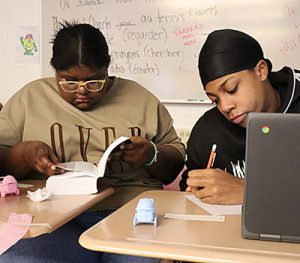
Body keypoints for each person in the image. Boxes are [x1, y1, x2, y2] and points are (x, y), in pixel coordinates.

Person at [0, 21, 185, 262]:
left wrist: (151, 153)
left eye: (95, 81)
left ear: (107, 68)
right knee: (19, 258)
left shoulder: (140, 99)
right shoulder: (30, 98)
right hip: (53, 219)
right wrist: (24, 155)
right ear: (54, 71)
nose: (82, 91)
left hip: (128, 214)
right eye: (68, 82)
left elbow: (174, 164)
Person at [179, 29, 300, 205]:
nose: (225, 106)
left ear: (261, 71)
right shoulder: (208, 130)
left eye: (232, 89)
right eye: (215, 100)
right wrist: (198, 189)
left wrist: (248, 191)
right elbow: (188, 187)